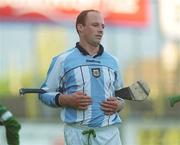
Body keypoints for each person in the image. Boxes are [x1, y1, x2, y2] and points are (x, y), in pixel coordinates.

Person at [39, 9, 125, 145]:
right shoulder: (63, 60)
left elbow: (120, 96)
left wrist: (118, 104)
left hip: (109, 134)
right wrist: (65, 99)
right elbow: (44, 94)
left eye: (103, 26)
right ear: (80, 27)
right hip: (76, 133)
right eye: (95, 25)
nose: (101, 30)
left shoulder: (113, 62)